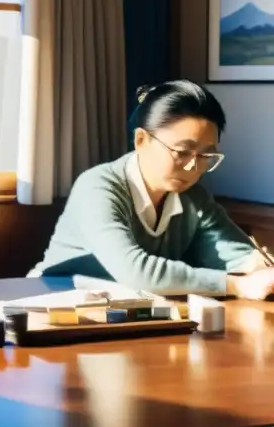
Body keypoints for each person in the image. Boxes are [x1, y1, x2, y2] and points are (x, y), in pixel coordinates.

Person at [31, 80, 274, 300]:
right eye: (181, 152)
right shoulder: (97, 186)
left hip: (126, 311)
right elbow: (135, 272)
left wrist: (262, 269)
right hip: (51, 302)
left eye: (205, 155)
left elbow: (238, 255)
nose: (193, 166)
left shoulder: (194, 197)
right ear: (141, 141)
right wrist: (237, 285)